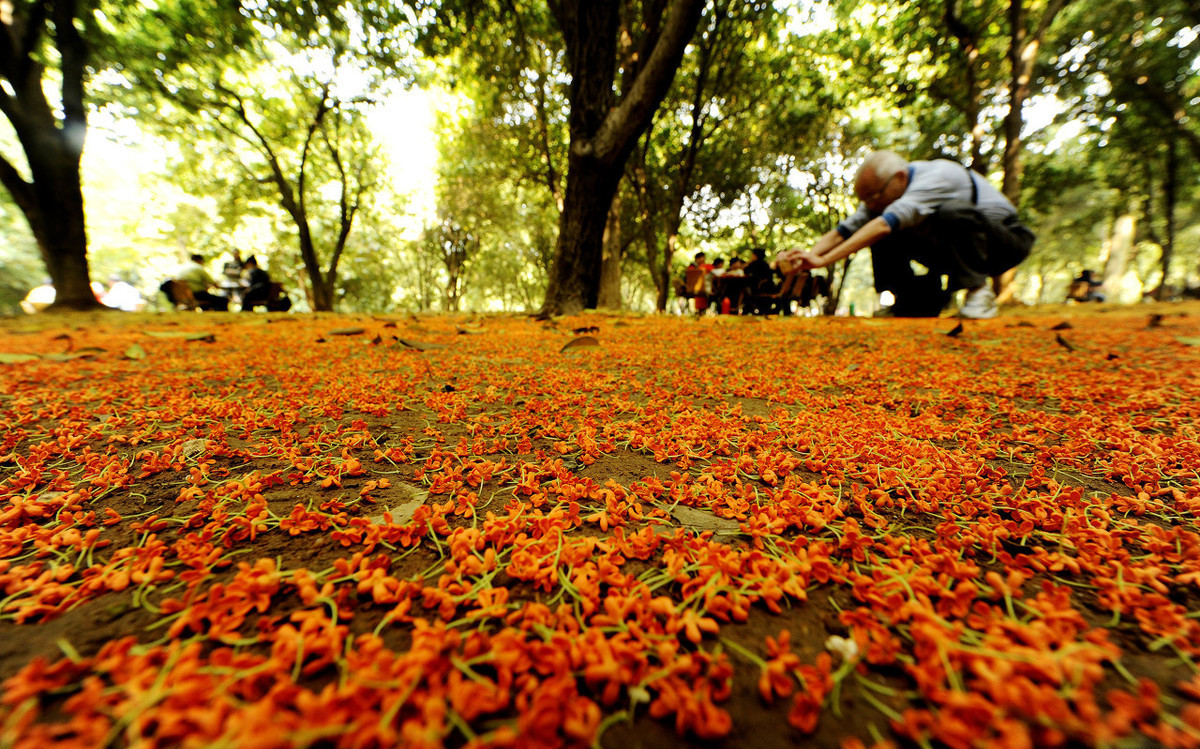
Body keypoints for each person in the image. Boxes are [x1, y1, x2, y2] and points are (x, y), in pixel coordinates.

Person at [779, 150, 1034, 318]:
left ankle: (979, 294)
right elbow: (845, 230)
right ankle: (908, 302)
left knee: (941, 214)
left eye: (874, 196)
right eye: (865, 200)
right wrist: (809, 256)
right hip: (950, 252)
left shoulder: (936, 176)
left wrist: (824, 261)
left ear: (899, 178)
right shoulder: (879, 202)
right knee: (876, 227)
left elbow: (883, 225)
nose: (870, 204)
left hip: (1003, 244)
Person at [163, 254, 229, 311]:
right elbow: (214, 283)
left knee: (208, 299)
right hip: (196, 294)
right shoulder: (198, 268)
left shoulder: (183, 267)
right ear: (200, 261)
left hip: (182, 295)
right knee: (223, 300)